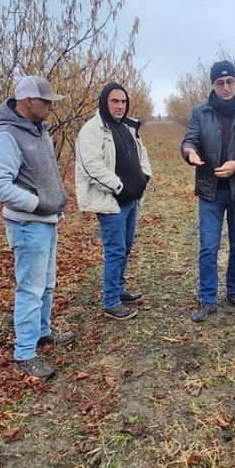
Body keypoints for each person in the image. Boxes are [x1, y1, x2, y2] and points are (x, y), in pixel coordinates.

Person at [0, 75, 77, 380]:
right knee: (30, 289)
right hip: (28, 225)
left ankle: (42, 333)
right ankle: (25, 353)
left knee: (46, 285)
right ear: (28, 102)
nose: (51, 106)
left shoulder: (38, 130)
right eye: (46, 101)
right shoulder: (8, 136)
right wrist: (37, 203)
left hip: (46, 222)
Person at [180, 60, 235, 322]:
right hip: (210, 191)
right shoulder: (201, 111)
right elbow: (190, 139)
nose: (226, 86)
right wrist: (189, 152)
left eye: (230, 81)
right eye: (220, 82)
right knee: (208, 247)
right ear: (212, 85)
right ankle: (207, 298)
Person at [75, 82, 152, 320]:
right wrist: (120, 187)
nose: (120, 106)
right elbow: (92, 168)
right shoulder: (92, 130)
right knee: (115, 251)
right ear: (104, 102)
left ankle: (119, 290)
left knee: (125, 248)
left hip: (131, 202)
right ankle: (110, 301)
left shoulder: (126, 127)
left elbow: (142, 154)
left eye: (123, 102)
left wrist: (144, 177)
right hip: (112, 203)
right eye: (115, 101)